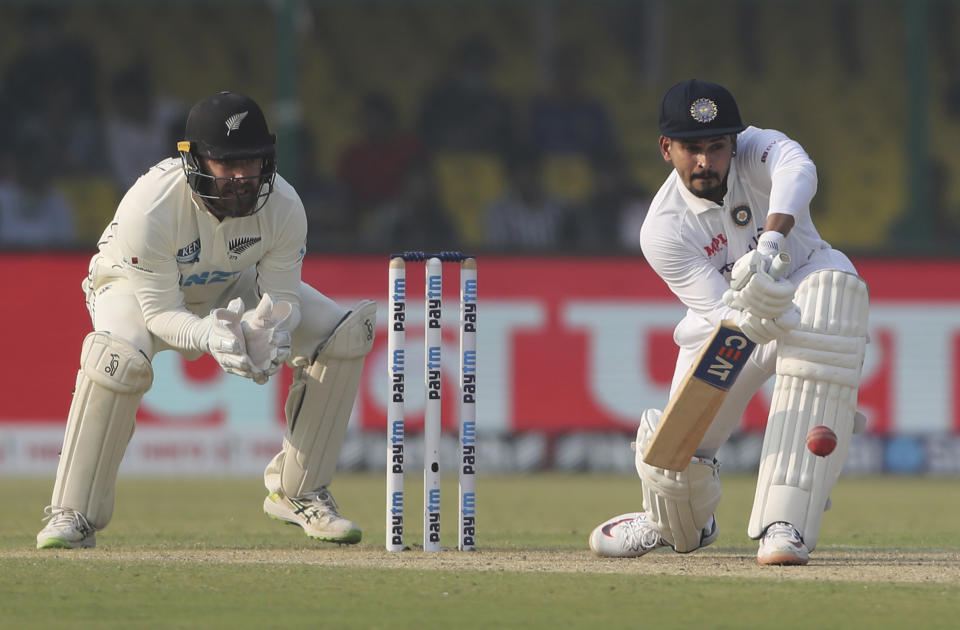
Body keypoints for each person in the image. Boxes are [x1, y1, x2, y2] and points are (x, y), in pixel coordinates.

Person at [35, 91, 377, 549]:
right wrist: (212, 336)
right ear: (193, 160)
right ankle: (73, 513)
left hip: (233, 285)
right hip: (130, 287)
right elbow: (160, 314)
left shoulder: (284, 206)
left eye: (251, 162)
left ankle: (300, 491)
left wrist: (268, 327)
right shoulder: (151, 206)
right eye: (225, 163)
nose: (240, 177)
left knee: (342, 333)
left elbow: (283, 298)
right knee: (119, 358)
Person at [588, 79, 869, 566]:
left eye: (716, 147)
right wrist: (758, 302)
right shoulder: (662, 230)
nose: (704, 161)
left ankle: (786, 523)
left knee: (829, 297)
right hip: (734, 323)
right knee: (674, 471)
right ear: (665, 148)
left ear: (733, 144)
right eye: (690, 149)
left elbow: (798, 169)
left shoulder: (758, 149)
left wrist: (772, 243)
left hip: (805, 280)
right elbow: (727, 317)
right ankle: (675, 524)